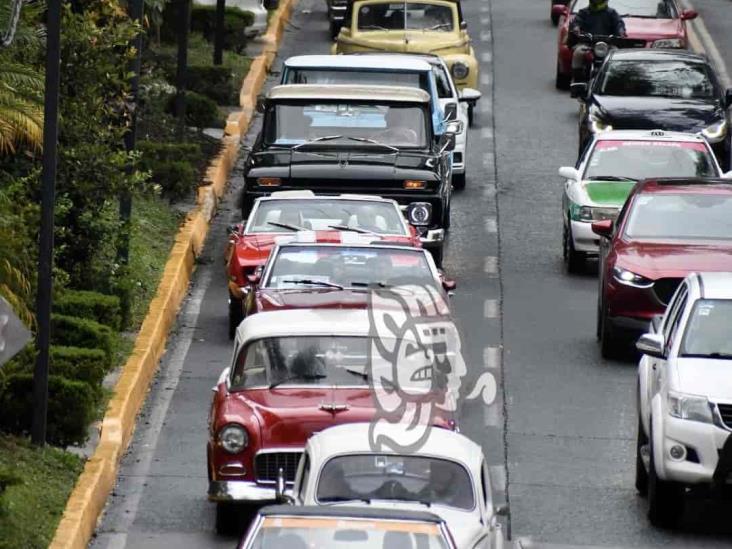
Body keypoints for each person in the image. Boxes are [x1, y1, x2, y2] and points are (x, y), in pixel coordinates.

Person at [569, 0, 626, 88]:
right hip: (587, 43)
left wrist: (621, 31)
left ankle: (616, 81)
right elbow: (577, 22)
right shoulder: (584, 12)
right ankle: (577, 80)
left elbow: (619, 23)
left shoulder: (612, 13)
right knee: (578, 53)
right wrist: (576, 28)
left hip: (607, 45)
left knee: (616, 55)